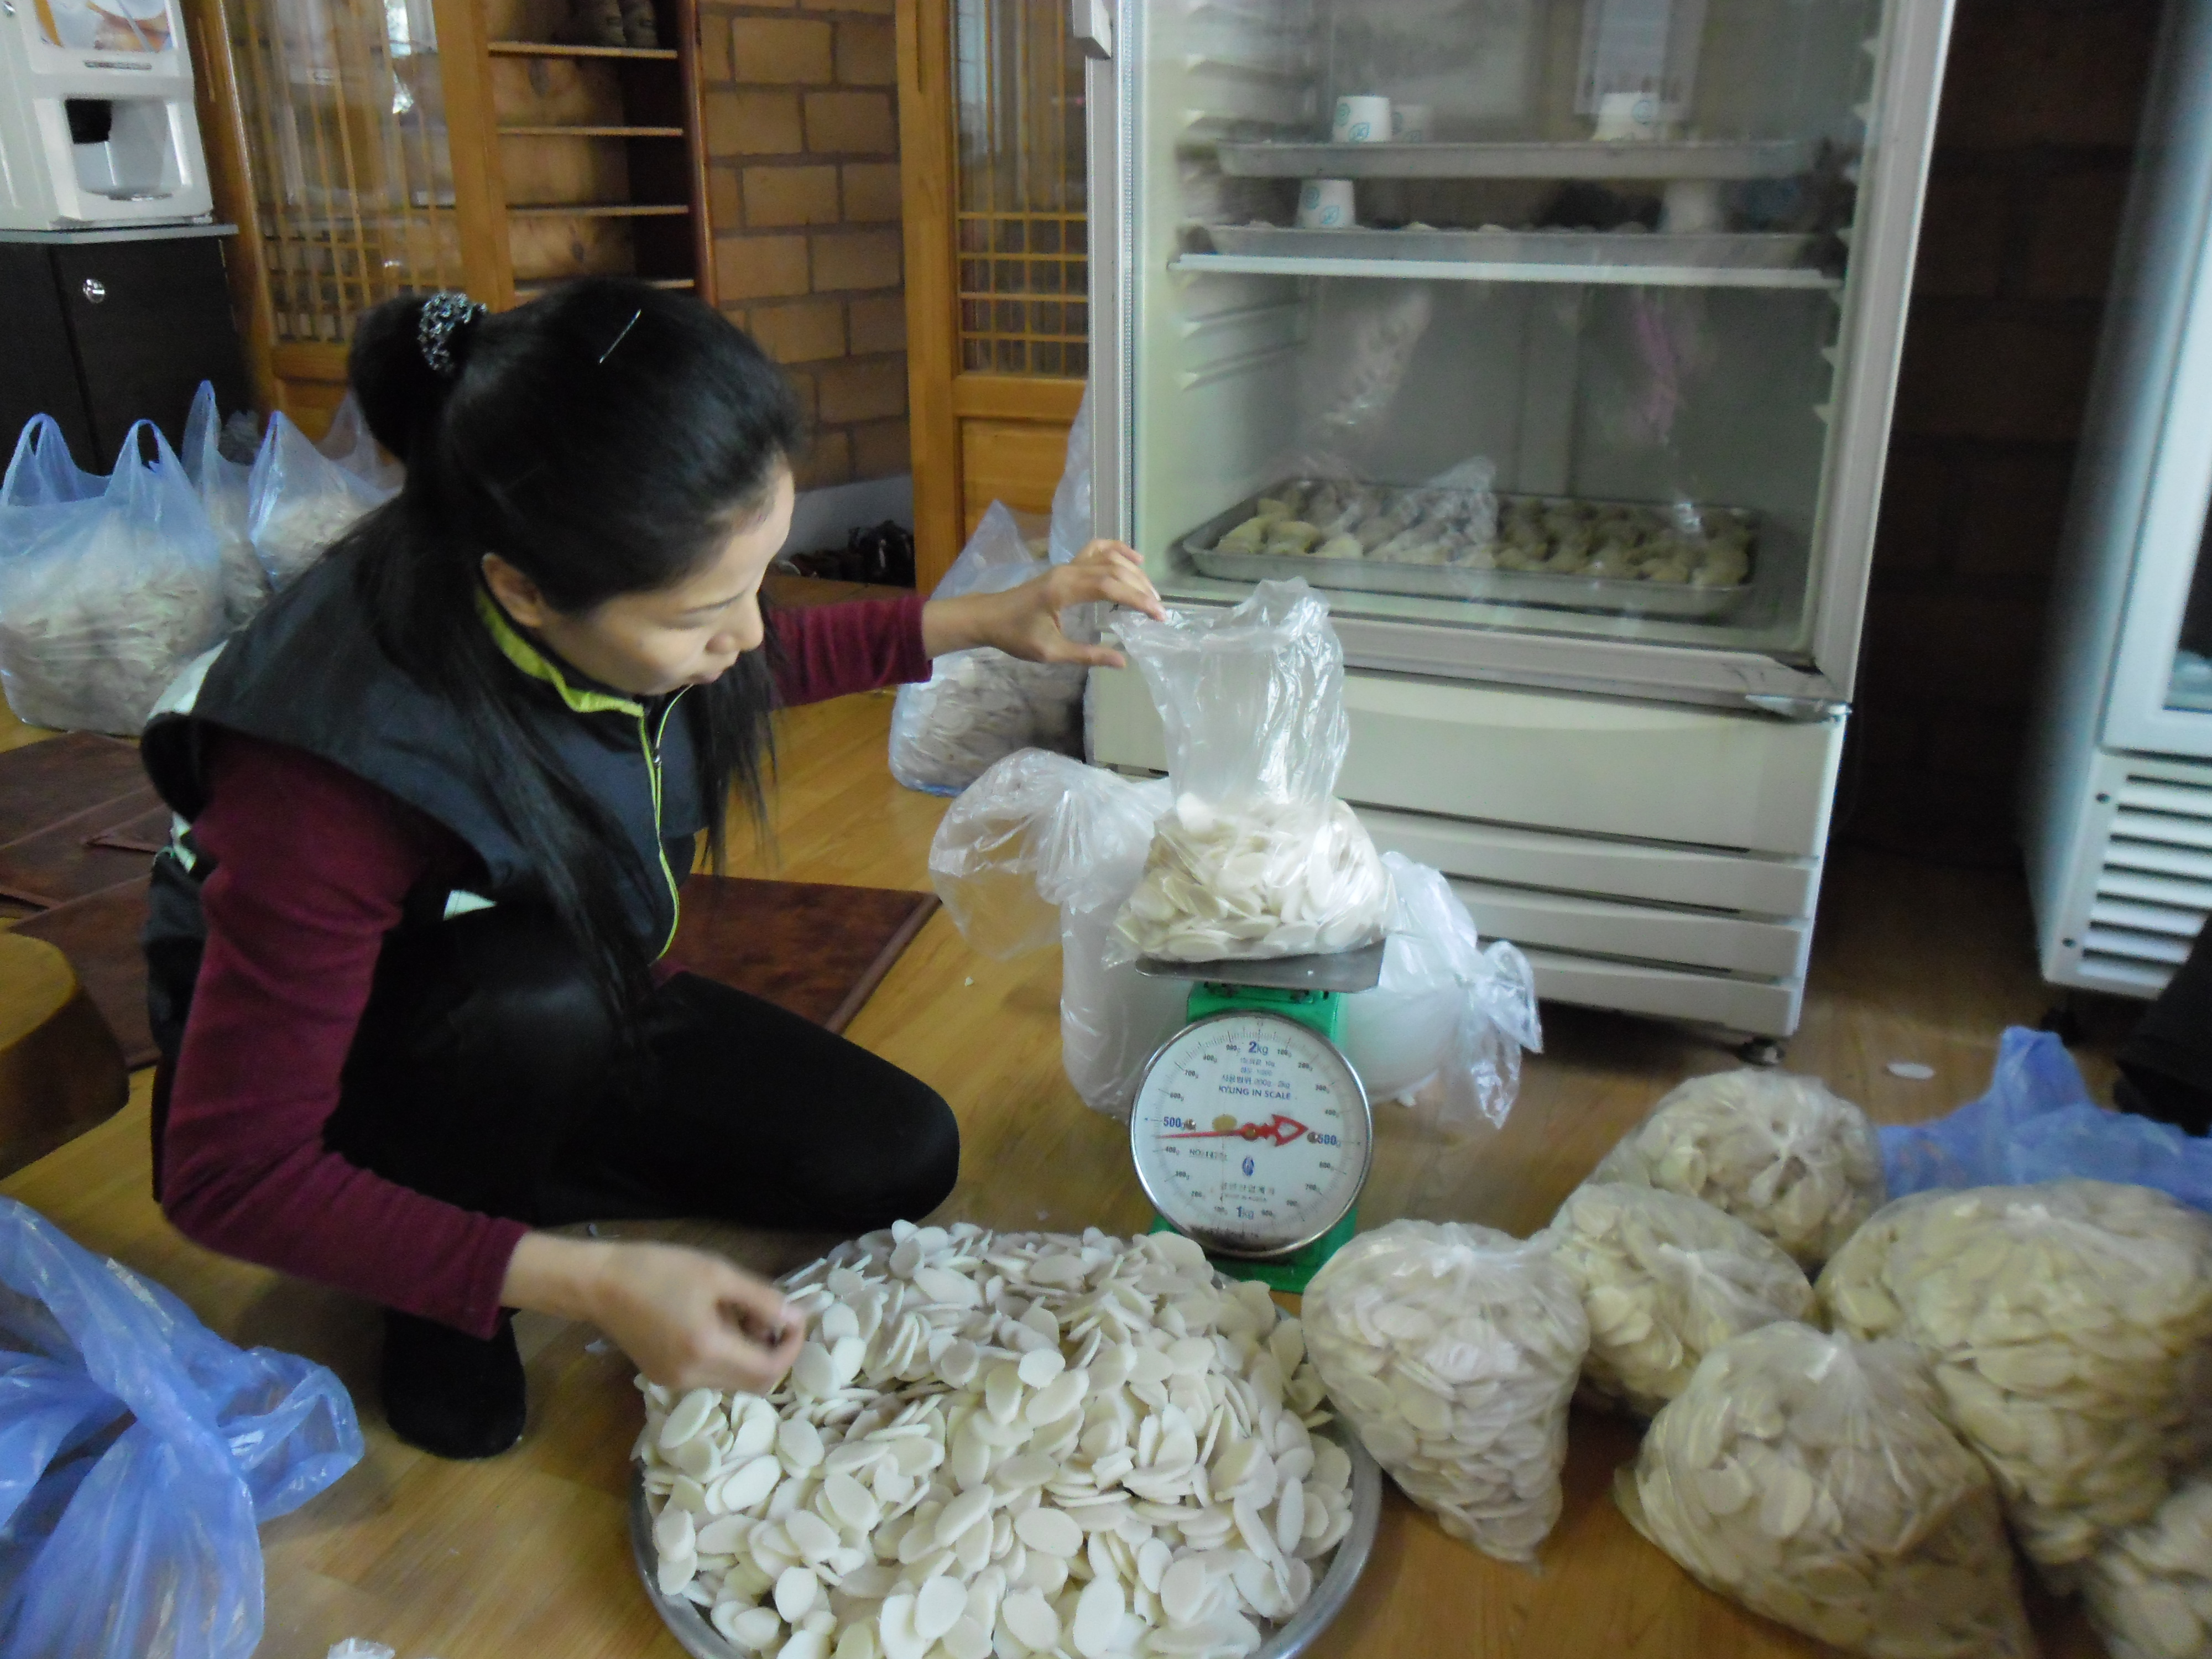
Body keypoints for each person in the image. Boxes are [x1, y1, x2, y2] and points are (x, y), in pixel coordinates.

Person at [137, 279, 1165, 1459]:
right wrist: (590, 1283)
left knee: (894, 1154)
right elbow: (227, 1175)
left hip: (556, 992)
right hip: (370, 1061)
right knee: (531, 999)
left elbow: (746, 655)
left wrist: (987, 618)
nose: (746, 636)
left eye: (759, 580)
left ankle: (496, 1181)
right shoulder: (326, 775)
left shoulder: (595, 595)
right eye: (701, 613)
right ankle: (445, 1268)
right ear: (522, 591)